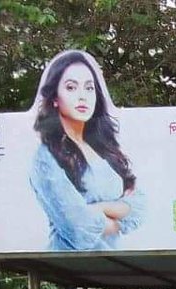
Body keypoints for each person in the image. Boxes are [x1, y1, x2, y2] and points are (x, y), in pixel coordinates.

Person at [30, 50, 144, 251]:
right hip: (68, 265)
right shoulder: (45, 157)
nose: (82, 96)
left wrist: (97, 209)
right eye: (71, 87)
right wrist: (120, 217)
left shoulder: (105, 148)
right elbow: (77, 227)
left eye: (89, 88)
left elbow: (140, 207)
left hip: (114, 263)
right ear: (55, 97)